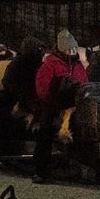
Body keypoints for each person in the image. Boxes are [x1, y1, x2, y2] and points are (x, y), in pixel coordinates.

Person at [32, 29, 87, 183]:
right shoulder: (50, 65)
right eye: (70, 49)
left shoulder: (78, 65)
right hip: (53, 105)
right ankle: (40, 170)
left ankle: (78, 164)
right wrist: (55, 102)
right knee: (46, 130)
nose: (73, 52)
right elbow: (42, 89)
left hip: (75, 105)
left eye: (75, 49)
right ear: (62, 49)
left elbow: (84, 82)